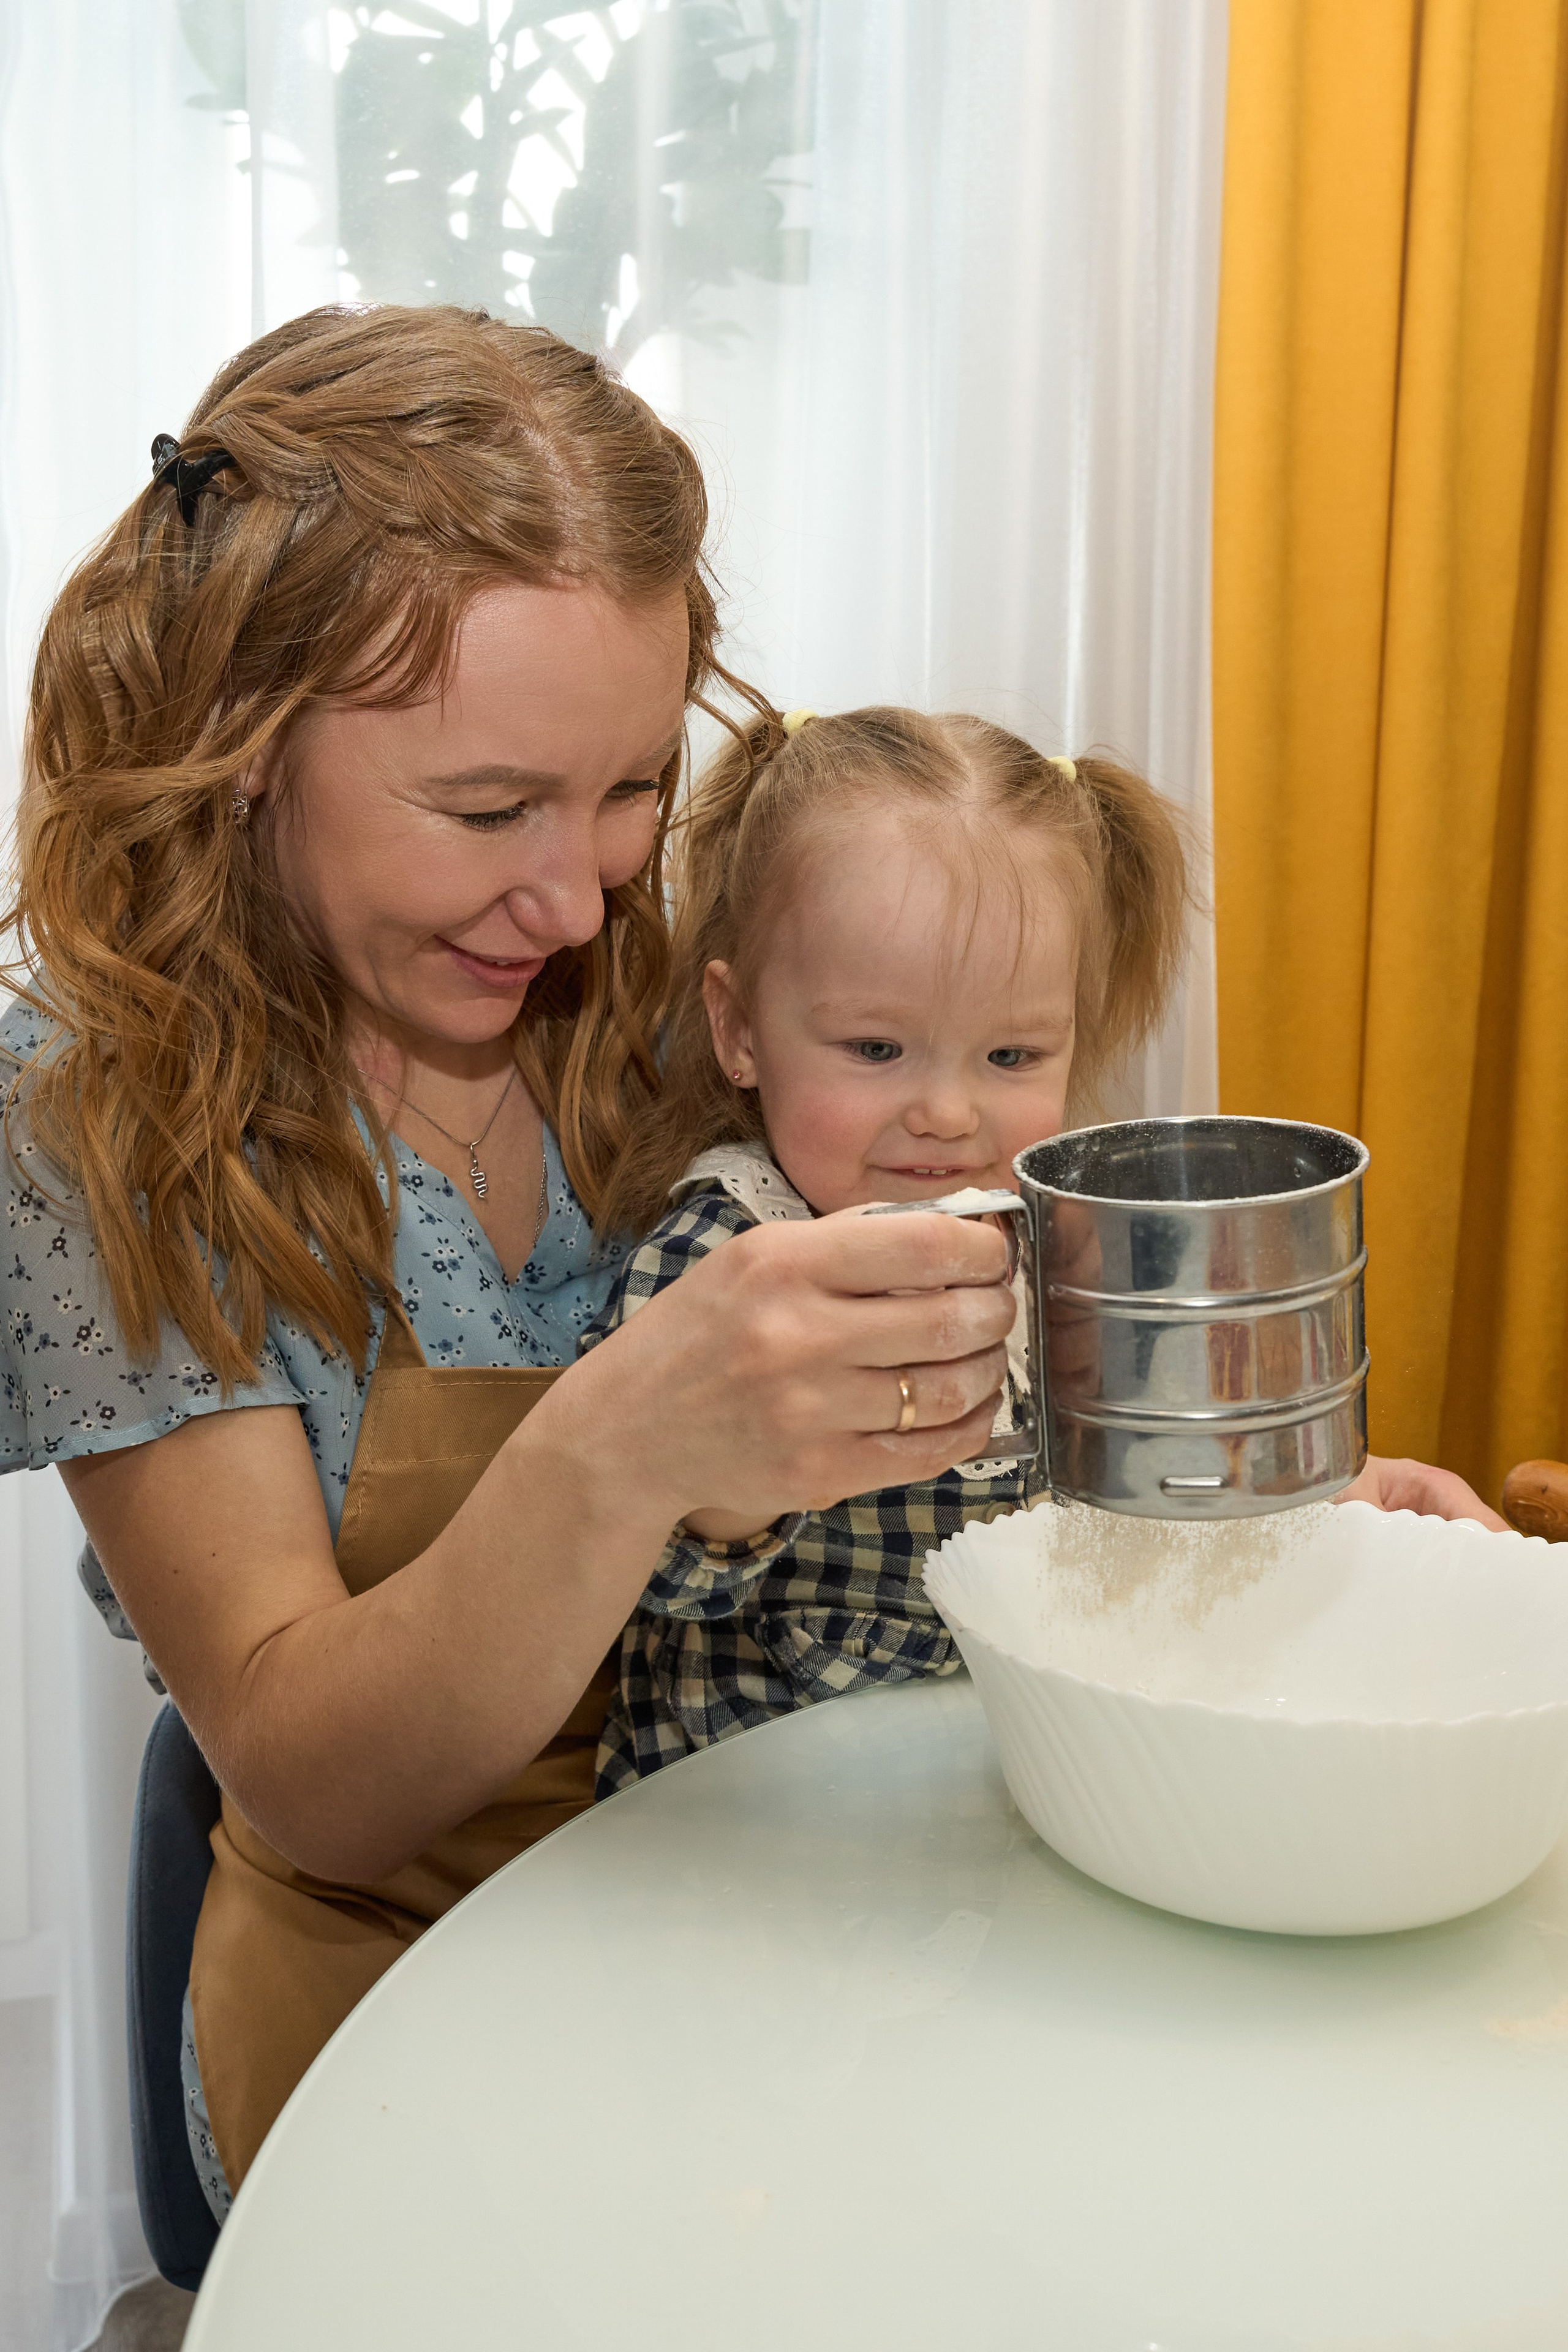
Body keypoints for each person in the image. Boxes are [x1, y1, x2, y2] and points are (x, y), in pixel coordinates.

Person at [0, 307, 1018, 2214]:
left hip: (744, 1937)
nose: (576, 898)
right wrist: (621, 1442)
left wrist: (1231, 1494)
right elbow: (309, 1769)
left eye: (631, 788)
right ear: (235, 752)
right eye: (486, 813)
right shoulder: (87, 1110)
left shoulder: (660, 983)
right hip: (379, 2016)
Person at [583, 709, 1193, 1790]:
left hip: (1009, 1791)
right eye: (876, 1048)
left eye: (1012, 1054)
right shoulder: (729, 1255)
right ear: (738, 1031)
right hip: (756, 1838)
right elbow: (666, 1552)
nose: (949, 1113)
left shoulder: (1054, 1242)